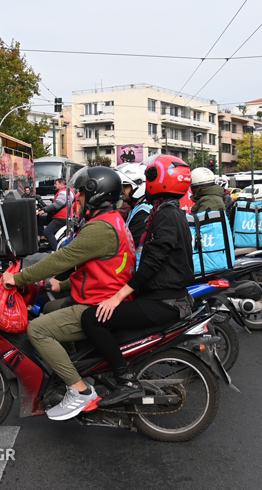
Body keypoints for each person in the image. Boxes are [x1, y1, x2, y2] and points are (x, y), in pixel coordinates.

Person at [2, 166, 135, 420]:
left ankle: (80, 391)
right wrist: (60, 286)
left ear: (96, 195)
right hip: (104, 293)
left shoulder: (100, 228)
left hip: (98, 305)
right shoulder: (112, 220)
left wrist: (18, 278)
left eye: (82, 194)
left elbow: (61, 259)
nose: (79, 200)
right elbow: (96, 268)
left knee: (37, 329)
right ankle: (77, 367)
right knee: (52, 308)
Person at [80, 156, 195, 406]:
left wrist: (118, 296)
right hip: (167, 296)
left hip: (165, 301)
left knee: (92, 318)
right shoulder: (169, 211)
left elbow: (153, 262)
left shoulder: (165, 215)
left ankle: (126, 381)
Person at [117, 164, 151, 244]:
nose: (122, 191)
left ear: (139, 184)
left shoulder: (144, 212)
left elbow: (131, 243)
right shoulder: (137, 207)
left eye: (126, 186)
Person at [37, 178, 73, 250]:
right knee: (38, 219)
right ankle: (42, 238)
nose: (54, 185)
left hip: (61, 218)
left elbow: (57, 204)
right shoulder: (67, 191)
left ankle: (57, 251)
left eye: (56, 184)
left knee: (47, 232)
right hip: (58, 216)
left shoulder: (64, 192)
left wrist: (44, 210)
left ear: (61, 184)